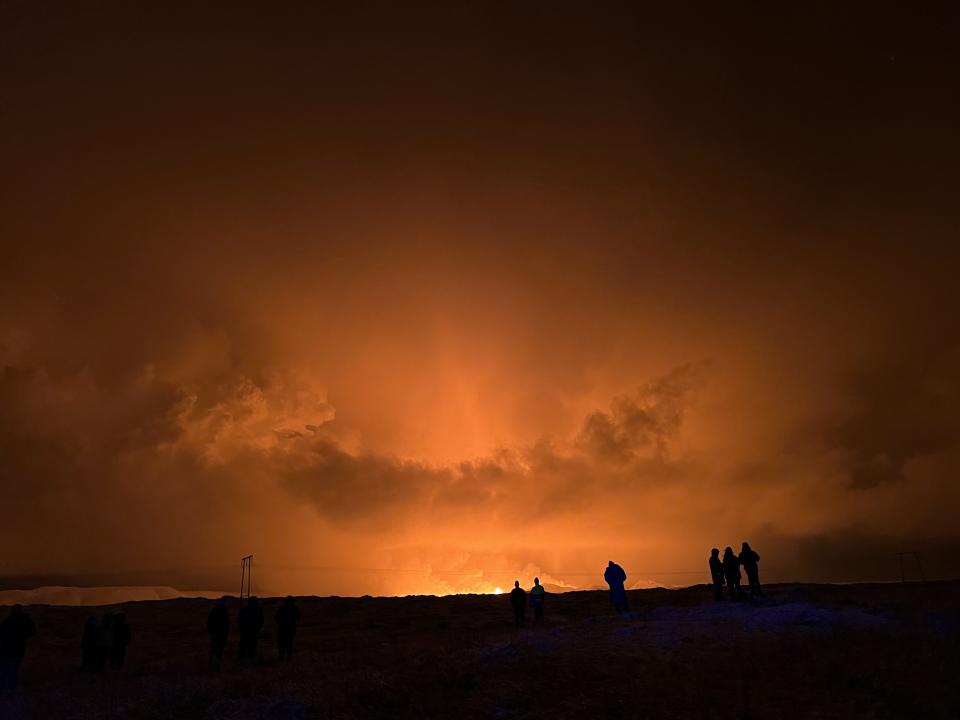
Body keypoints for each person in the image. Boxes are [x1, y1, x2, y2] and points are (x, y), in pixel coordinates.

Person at [0, 604, 36, 692]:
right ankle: (10, 688)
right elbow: (31, 632)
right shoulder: (21, 620)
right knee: (13, 667)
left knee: (5, 668)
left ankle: (5, 688)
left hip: (6, 648)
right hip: (16, 649)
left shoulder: (8, 621)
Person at [237, 596, 263, 664]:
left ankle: (242, 660)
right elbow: (261, 621)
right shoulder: (258, 611)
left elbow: (239, 620)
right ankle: (250, 660)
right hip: (253, 631)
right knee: (252, 646)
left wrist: (241, 629)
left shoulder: (244, 610)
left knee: (244, 646)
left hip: (245, 631)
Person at [274, 596, 301, 661]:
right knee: (289, 642)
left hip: (283, 628)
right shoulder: (294, 608)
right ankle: (288, 656)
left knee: (282, 642)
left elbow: (276, 618)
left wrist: (280, 623)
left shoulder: (282, 608)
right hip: (290, 628)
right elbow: (298, 616)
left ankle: (282, 656)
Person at [207, 598, 229, 671]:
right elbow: (226, 625)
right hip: (221, 634)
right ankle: (216, 664)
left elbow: (209, 623)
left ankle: (211, 663)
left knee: (213, 648)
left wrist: (210, 632)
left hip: (214, 633)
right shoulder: (225, 612)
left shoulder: (213, 612)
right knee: (219, 649)